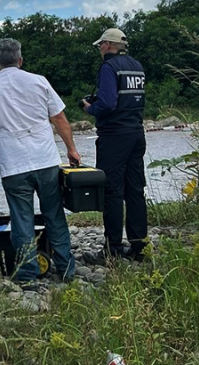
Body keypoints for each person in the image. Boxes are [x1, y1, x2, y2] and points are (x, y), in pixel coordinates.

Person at [0, 38, 80, 285]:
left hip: (13, 165)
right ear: (20, 60)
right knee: (54, 215)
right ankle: (65, 269)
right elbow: (59, 118)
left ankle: (27, 274)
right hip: (46, 160)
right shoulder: (39, 82)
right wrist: (71, 149)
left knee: (21, 220)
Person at [80, 28, 147, 263]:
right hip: (137, 132)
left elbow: (107, 103)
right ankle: (140, 246)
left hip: (114, 135)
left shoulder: (109, 67)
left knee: (113, 192)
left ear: (108, 45)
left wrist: (89, 108)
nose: (99, 48)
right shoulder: (136, 66)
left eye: (100, 45)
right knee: (135, 191)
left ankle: (113, 249)